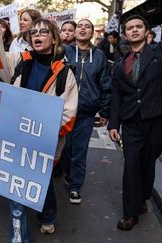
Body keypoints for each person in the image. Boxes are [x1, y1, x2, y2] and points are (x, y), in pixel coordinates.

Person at [0, 1, 78, 241]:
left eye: (43, 32)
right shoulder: (18, 61)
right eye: (34, 32)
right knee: (16, 185)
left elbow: (69, 115)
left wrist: (42, 130)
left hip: (45, 142)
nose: (37, 35)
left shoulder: (64, 73)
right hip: (16, 139)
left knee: (43, 182)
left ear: (54, 39)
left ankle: (47, 216)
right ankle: (19, 235)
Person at [108, 15, 162, 230]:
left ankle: (142, 197)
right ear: (125, 34)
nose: (134, 30)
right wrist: (113, 124)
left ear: (147, 31)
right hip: (131, 122)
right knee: (131, 164)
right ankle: (131, 213)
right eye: (130, 28)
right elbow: (117, 96)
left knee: (147, 163)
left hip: (157, 120)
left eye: (139, 26)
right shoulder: (121, 65)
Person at [61, 19, 112, 204]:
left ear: (92, 33)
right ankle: (67, 173)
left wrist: (104, 111)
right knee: (65, 150)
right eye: (79, 26)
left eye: (87, 26)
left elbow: (106, 84)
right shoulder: (64, 52)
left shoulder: (100, 56)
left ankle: (75, 187)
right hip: (64, 111)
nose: (83, 29)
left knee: (80, 151)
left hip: (86, 113)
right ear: (74, 32)